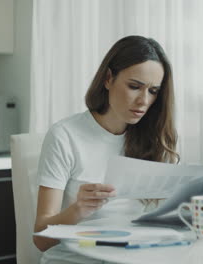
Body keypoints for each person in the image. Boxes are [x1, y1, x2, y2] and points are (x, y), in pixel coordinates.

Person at [34, 35, 179, 264]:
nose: (143, 101)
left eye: (153, 91)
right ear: (108, 78)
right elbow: (41, 240)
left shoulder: (150, 138)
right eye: (134, 87)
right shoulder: (65, 136)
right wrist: (78, 210)